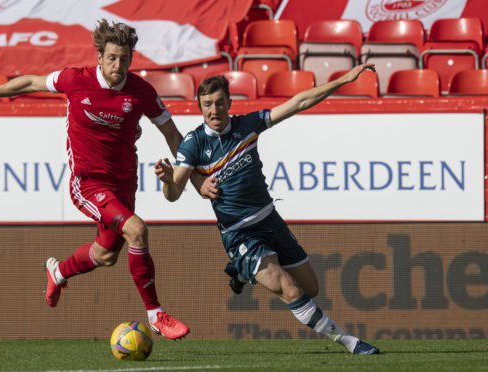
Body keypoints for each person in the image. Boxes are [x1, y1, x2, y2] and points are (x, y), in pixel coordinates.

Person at [0, 19, 217, 340]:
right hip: (88, 183)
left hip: (123, 184)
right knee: (137, 229)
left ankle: (59, 271)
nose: (118, 65)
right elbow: (30, 83)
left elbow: (174, 136)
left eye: (124, 58)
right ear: (99, 57)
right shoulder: (74, 79)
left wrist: (195, 181)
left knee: (106, 255)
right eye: (111, 58)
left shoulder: (142, 92)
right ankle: (156, 314)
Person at [154, 64, 381, 353]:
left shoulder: (247, 125)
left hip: (270, 221)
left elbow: (298, 102)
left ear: (229, 103)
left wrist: (344, 79)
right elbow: (173, 194)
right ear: (199, 106)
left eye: (220, 103)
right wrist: (165, 181)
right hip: (239, 234)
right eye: (207, 104)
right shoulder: (193, 144)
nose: (214, 110)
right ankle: (350, 342)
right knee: (292, 292)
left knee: (310, 289)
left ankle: (239, 271)